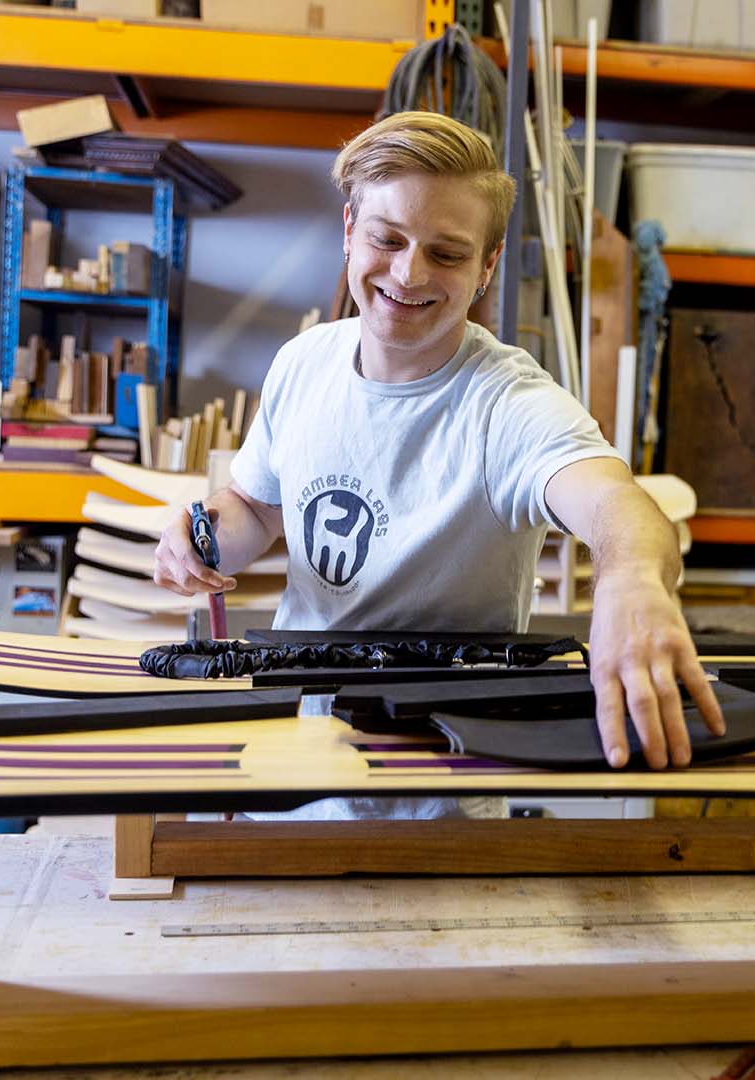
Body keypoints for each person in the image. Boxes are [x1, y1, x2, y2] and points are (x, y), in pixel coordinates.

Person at [155, 110, 722, 770]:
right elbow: (257, 509)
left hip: (439, 782)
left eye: (447, 253)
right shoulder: (303, 363)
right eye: (387, 239)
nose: (408, 274)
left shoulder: (508, 405)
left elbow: (616, 504)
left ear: (487, 266)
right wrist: (200, 536)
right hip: (293, 752)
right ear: (348, 231)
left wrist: (633, 579)